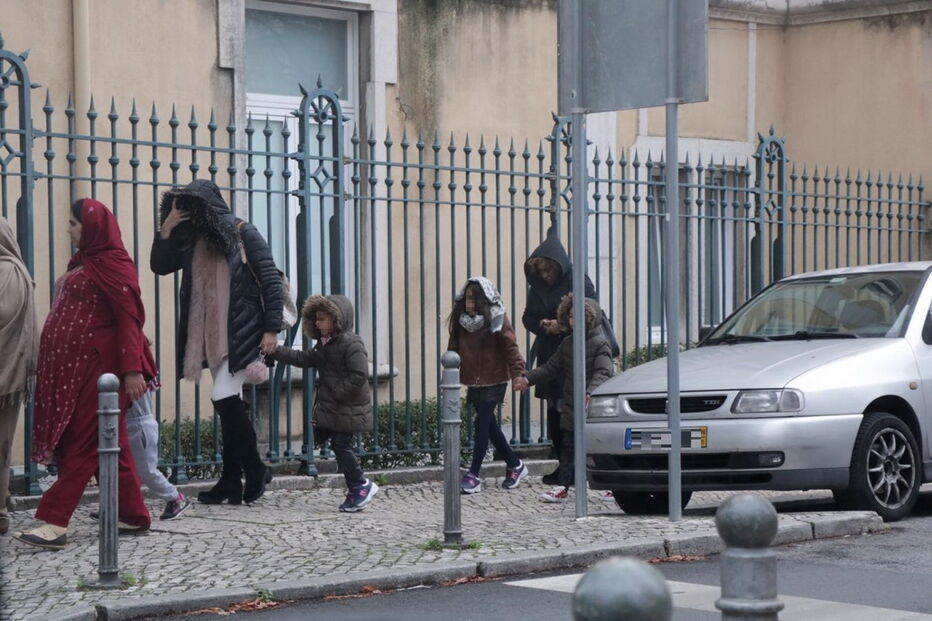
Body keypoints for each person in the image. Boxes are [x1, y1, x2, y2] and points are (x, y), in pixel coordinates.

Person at [15, 199, 156, 550]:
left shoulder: (115, 264)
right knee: (113, 442)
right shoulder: (85, 262)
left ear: (92, 227)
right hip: (80, 371)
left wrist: (132, 370)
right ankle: (134, 515)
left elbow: (129, 320)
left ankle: (54, 521)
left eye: (73, 224)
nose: (68, 230)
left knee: (85, 441)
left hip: (104, 371)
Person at [151, 180, 282, 505]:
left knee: (223, 398)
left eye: (192, 208)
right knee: (230, 403)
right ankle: (229, 481)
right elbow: (160, 266)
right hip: (212, 333)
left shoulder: (242, 232)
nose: (187, 215)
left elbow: (270, 279)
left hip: (244, 332)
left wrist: (271, 330)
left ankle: (254, 468)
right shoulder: (192, 240)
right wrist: (166, 228)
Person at [268, 294, 378, 512]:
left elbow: (359, 375)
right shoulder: (325, 345)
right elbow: (303, 358)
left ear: (337, 320)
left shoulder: (351, 343)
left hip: (349, 407)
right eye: (316, 319)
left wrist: (336, 392)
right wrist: (276, 350)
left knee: (341, 445)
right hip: (339, 408)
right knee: (339, 445)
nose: (318, 323)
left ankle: (361, 484)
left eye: (323, 319)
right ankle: (357, 487)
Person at [514, 294, 613, 503]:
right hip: (571, 404)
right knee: (568, 449)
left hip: (594, 407)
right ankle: (563, 487)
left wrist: (590, 392)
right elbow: (551, 368)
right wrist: (527, 379)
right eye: (569, 316)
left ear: (589, 317)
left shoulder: (600, 343)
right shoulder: (567, 343)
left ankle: (612, 485)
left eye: (577, 316)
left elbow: (604, 372)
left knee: (600, 449)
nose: (573, 320)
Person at [522, 230, 598, 484]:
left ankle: (576, 463)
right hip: (549, 352)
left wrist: (563, 324)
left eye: (549, 270)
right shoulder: (538, 289)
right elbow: (527, 317)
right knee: (553, 409)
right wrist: (542, 324)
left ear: (558, 266)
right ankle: (562, 463)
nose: (545, 276)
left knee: (570, 408)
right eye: (541, 272)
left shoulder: (578, 279)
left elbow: (592, 311)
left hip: (574, 350)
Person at [447, 277, 528, 494]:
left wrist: (519, 373)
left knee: (481, 424)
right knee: (489, 426)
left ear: (484, 300)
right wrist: (449, 376)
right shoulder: (461, 320)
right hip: (474, 379)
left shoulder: (497, 317)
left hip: (495, 378)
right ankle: (515, 465)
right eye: (467, 299)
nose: (469, 304)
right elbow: (452, 348)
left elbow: (511, 346)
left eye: (474, 300)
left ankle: (474, 474)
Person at [0, 217, 38, 536]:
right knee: (2, 441)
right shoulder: (20, 272)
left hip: (6, 370)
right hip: (12, 374)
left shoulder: (8, 272)